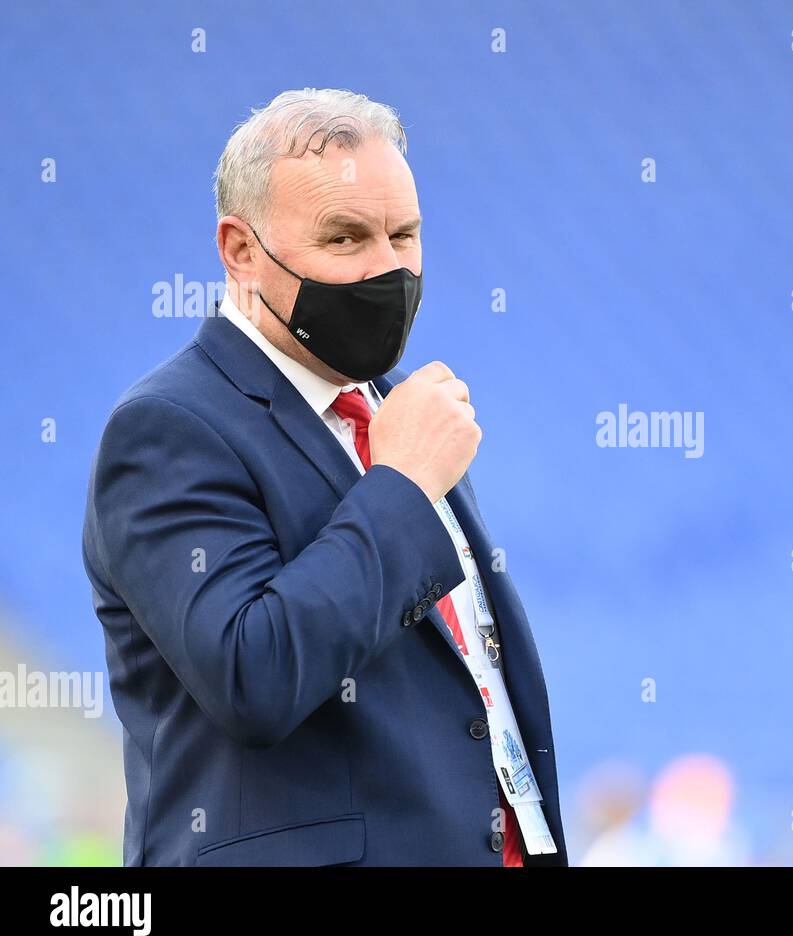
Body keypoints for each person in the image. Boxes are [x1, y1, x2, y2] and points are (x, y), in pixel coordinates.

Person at [81, 88, 566, 866]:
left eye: (404, 234)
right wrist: (402, 484)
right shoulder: (169, 427)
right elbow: (252, 674)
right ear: (240, 251)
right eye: (345, 238)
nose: (389, 268)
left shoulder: (394, 409)